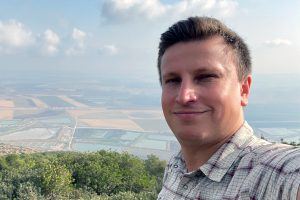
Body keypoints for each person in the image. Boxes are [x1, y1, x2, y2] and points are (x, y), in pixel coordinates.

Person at [157, 16, 300, 200]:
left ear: (244, 89)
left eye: (206, 77)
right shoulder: (175, 166)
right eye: (173, 80)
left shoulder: (274, 174)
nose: (185, 96)